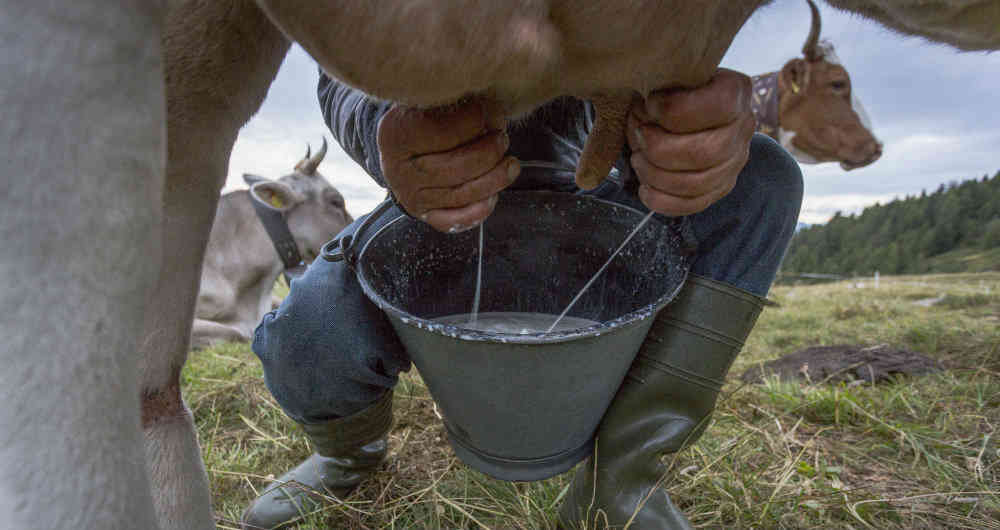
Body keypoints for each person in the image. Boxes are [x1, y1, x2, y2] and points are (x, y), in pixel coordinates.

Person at [241, 68, 803, 529]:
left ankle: (621, 486)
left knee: (765, 176)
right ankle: (347, 456)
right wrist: (384, 126)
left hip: (591, 192)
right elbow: (339, 73)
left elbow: (678, 51)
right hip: (440, 210)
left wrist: (692, 129)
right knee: (307, 330)